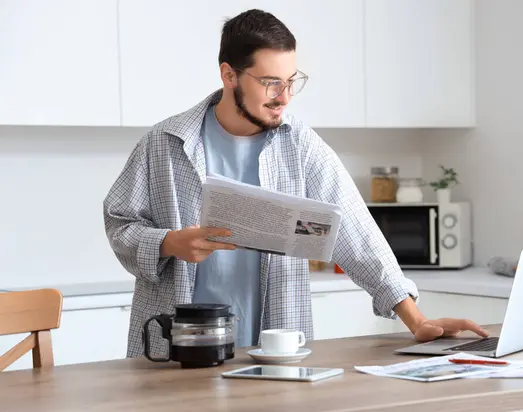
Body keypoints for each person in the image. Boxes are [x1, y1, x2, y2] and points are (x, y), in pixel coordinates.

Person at [103, 9, 488, 358]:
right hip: (181, 349)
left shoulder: (300, 143)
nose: (284, 97)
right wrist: (169, 242)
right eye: (271, 83)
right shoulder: (165, 142)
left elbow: (355, 231)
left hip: (274, 347)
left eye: (291, 81)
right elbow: (120, 224)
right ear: (229, 75)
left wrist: (416, 320)